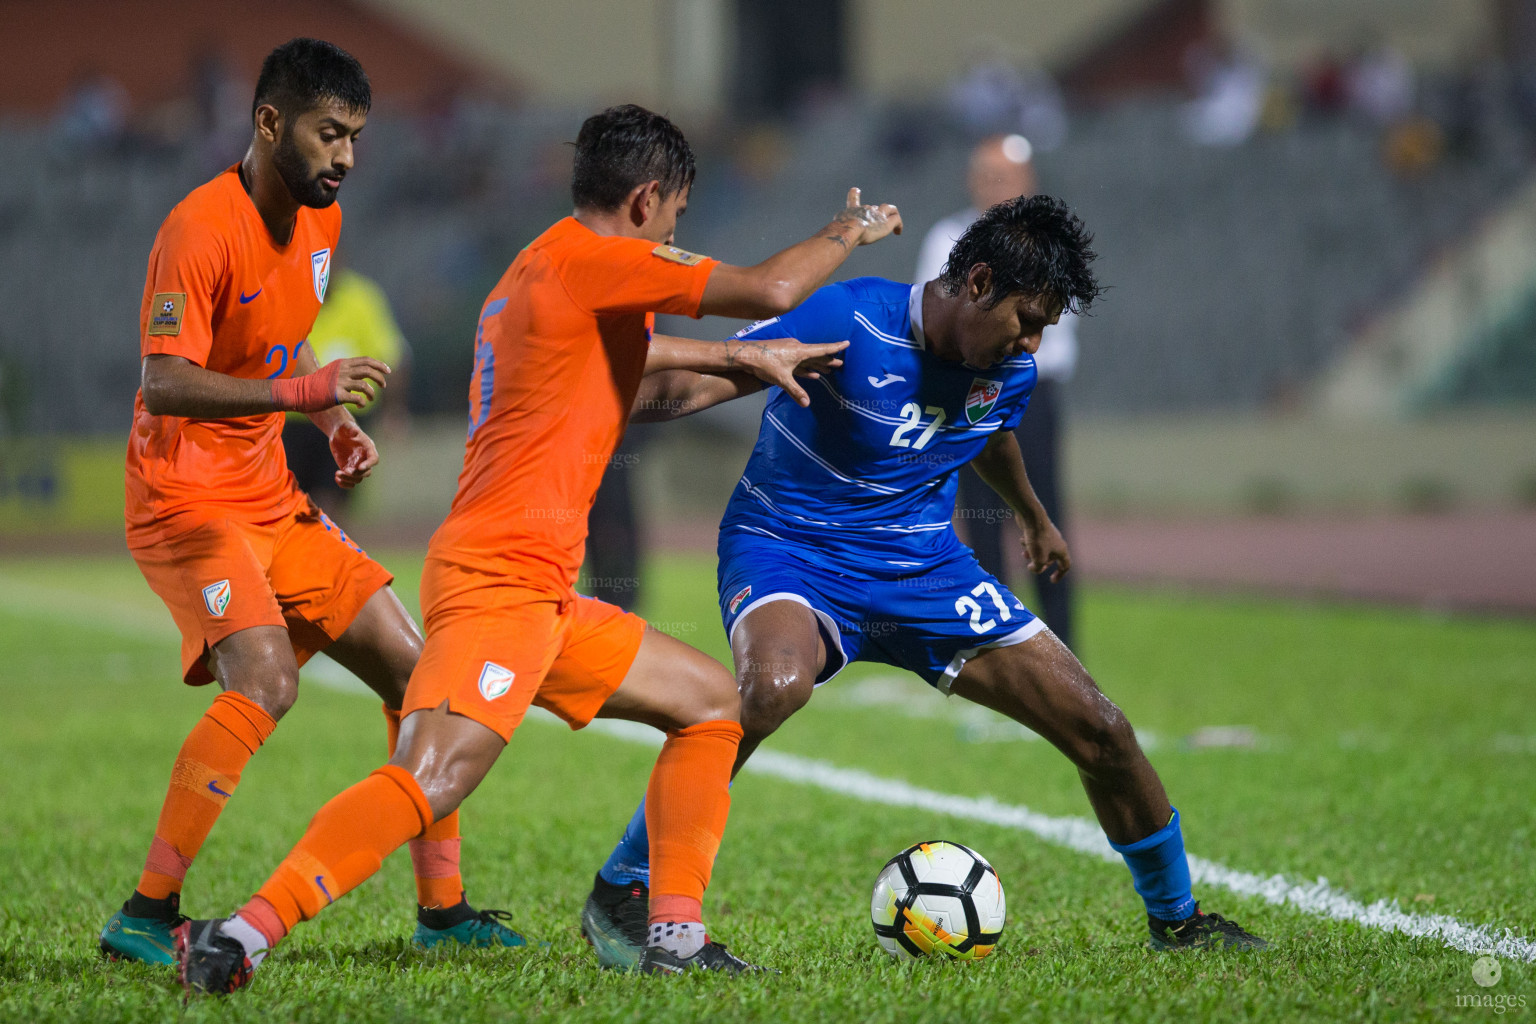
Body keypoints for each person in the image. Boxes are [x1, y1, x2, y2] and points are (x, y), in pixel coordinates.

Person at [174, 103, 902, 993]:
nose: (678, 234)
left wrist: (746, 367)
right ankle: (241, 934)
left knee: (713, 707)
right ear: (645, 201)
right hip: (500, 580)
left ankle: (673, 934)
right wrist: (849, 230)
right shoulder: (597, 261)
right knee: (431, 777)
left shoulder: (546, 271)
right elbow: (770, 289)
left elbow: (636, 386)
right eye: (676, 216)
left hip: (539, 586)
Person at [580, 195, 1268, 968]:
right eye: (1028, 319)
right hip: (789, 548)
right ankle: (627, 887)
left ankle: (1177, 920)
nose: (1034, 344)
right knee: (768, 689)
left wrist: (1033, 517)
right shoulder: (849, 316)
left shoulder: (1005, 368)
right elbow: (706, 385)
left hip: (924, 570)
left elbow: (986, 430)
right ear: (977, 283)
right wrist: (595, 409)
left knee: (1102, 731)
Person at [101, 38, 521, 968]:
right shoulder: (197, 229)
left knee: (423, 681)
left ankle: (441, 914)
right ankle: (144, 910)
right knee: (266, 681)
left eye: (355, 138)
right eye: (330, 134)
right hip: (183, 501)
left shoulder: (323, 227)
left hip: (268, 492)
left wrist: (330, 420)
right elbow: (166, 383)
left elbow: (279, 360)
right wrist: (301, 398)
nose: (346, 157)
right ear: (268, 123)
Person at [915, 133, 1076, 648]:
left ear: (1028, 181)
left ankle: (1063, 648)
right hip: (971, 393)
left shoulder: (1051, 244)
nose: (992, 187)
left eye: (1002, 176)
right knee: (981, 525)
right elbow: (931, 318)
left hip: (1034, 391)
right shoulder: (947, 237)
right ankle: (993, 645)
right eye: (984, 176)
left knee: (1045, 514)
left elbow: (1055, 330)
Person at [282, 255, 410, 523]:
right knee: (287, 509)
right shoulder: (288, 293)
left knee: (332, 506)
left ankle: (331, 558)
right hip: (291, 422)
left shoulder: (361, 299)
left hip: (346, 419)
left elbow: (393, 358)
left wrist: (394, 411)